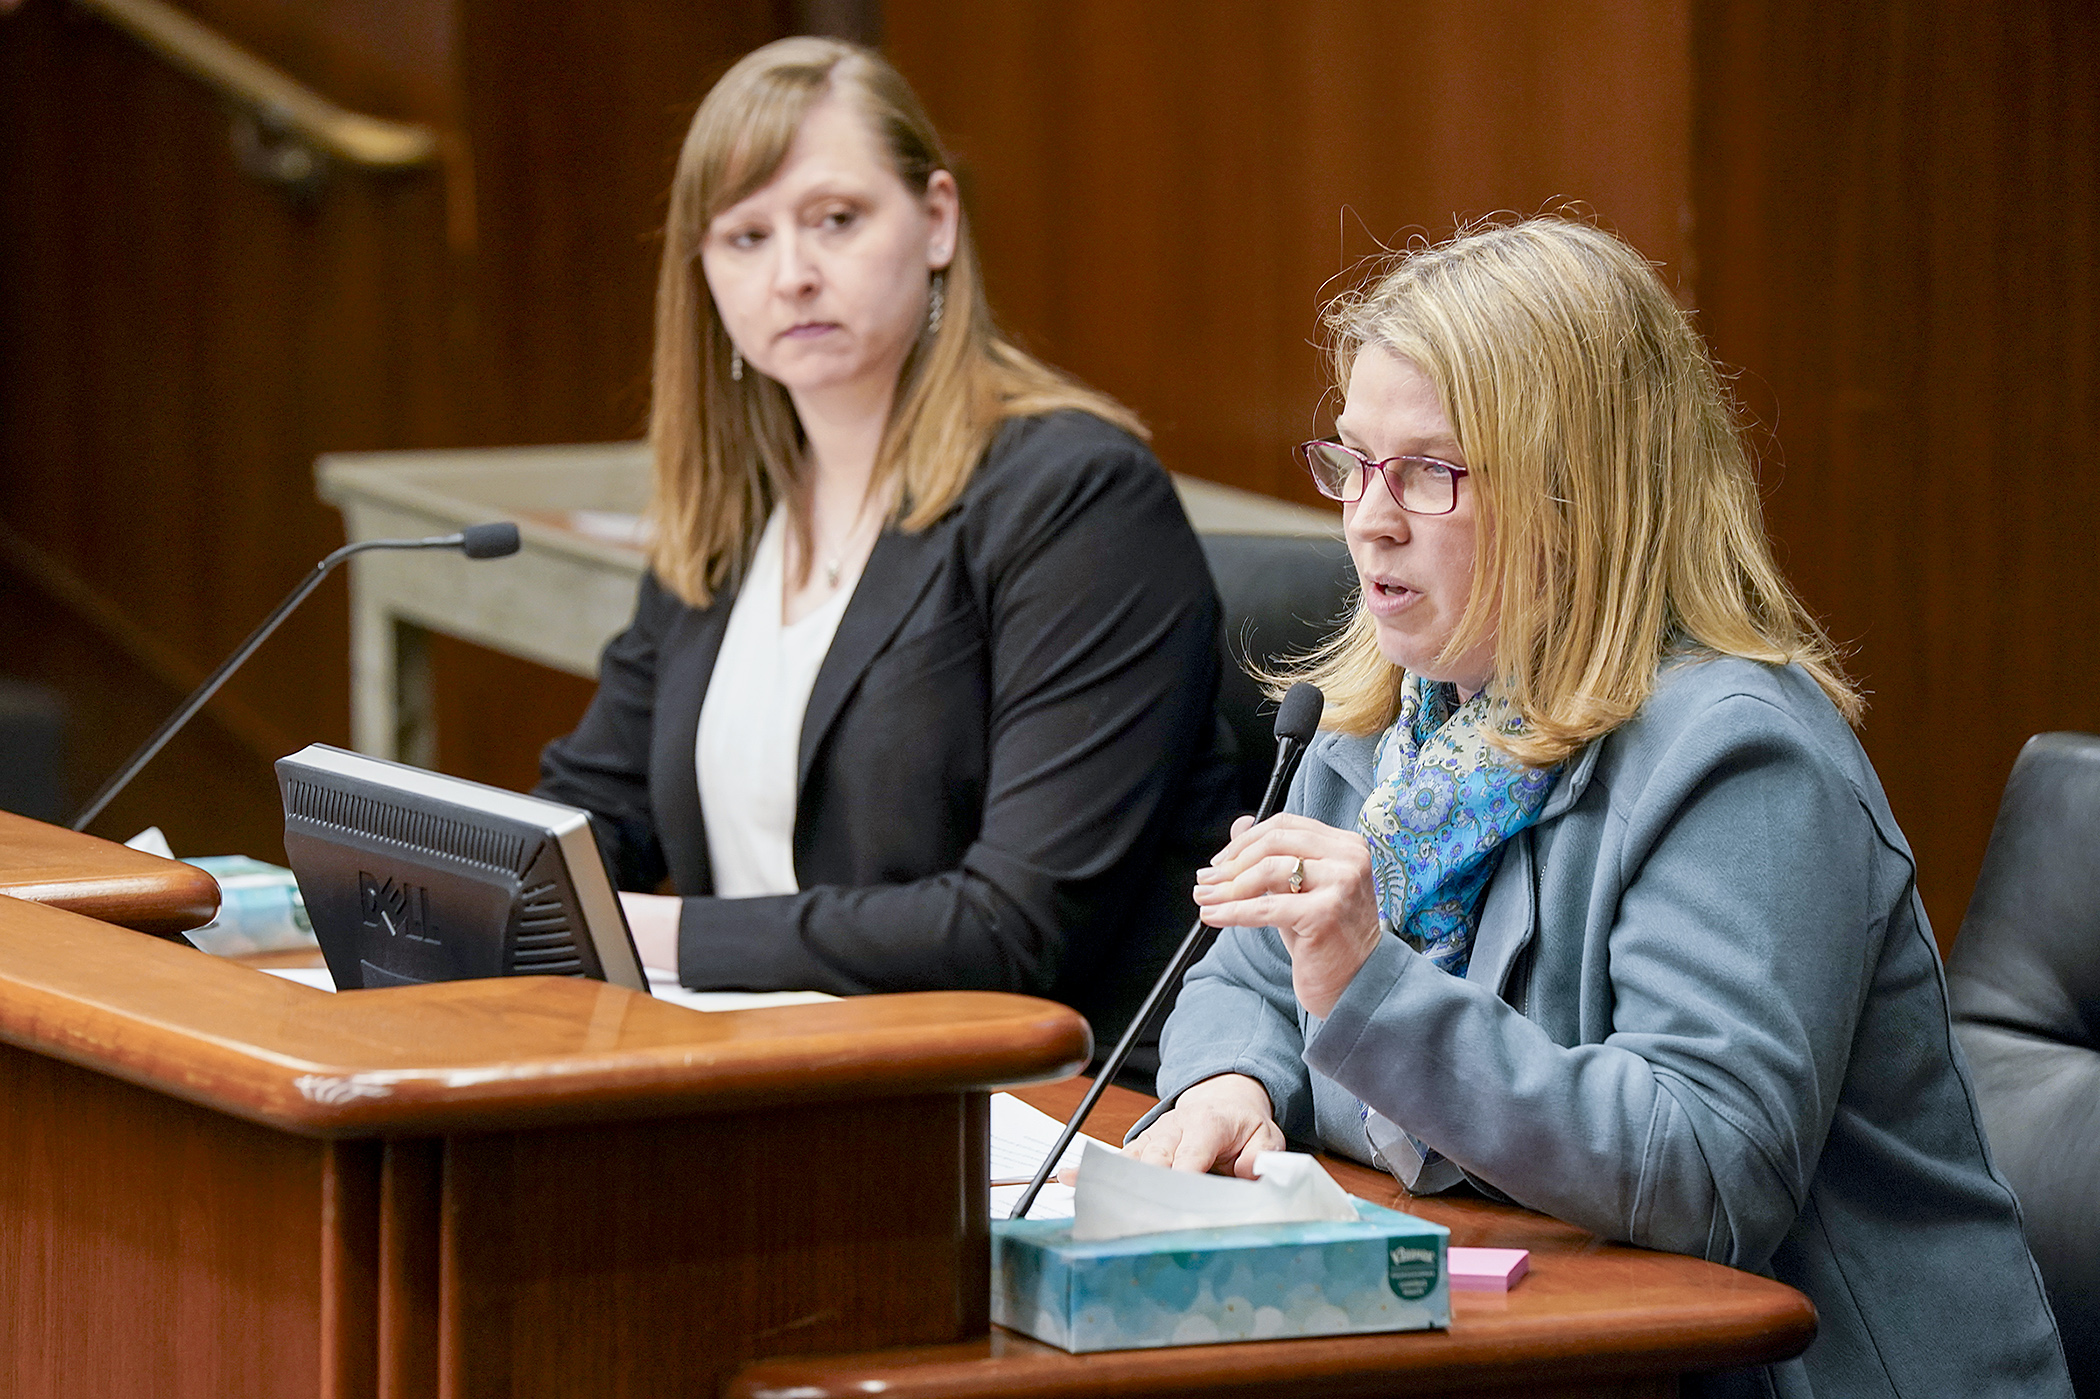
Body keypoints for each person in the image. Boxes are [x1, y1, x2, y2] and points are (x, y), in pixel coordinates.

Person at [1125, 219, 2072, 1397]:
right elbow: (1252, 975)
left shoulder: (1741, 756)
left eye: (1430, 471)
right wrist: (1235, 1081)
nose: (1369, 517)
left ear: (1586, 499)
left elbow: (1709, 1172)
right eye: (1354, 461)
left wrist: (1371, 985)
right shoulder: (1388, 717)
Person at [537, 37, 1232, 1052]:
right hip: (741, 1068)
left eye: (836, 220)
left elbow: (1013, 927)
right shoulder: (730, 516)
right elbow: (595, 809)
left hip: (1006, 1103)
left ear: (938, 220)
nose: (793, 275)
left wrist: (662, 935)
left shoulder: (1078, 499)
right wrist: (497, 886)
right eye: (744, 237)